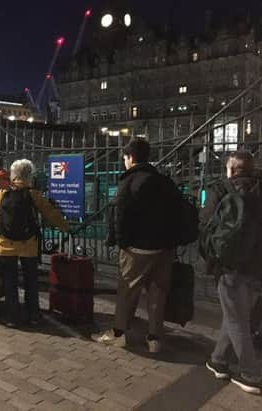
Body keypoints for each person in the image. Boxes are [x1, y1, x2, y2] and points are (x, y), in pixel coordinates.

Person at [93, 138, 181, 353]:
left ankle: (119, 334)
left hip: (137, 248)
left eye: (124, 158)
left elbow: (120, 217)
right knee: (157, 293)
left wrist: (121, 242)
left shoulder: (130, 182)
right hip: (164, 247)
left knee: (127, 291)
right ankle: (154, 339)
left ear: (130, 157)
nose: (124, 161)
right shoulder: (163, 181)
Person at [202, 151, 262, 394]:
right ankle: (219, 360)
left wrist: (210, 257)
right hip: (257, 264)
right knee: (236, 313)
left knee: (238, 319)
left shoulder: (222, 190)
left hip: (230, 265)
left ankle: (251, 374)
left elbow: (206, 223)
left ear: (232, 170)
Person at [0, 159, 68, 327]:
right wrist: (65, 227)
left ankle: (12, 316)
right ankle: (33, 314)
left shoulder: (2, 193)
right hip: (28, 244)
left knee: (10, 281)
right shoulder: (33, 194)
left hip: (5, 243)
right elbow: (50, 213)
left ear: (13, 174)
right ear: (29, 175)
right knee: (30, 280)